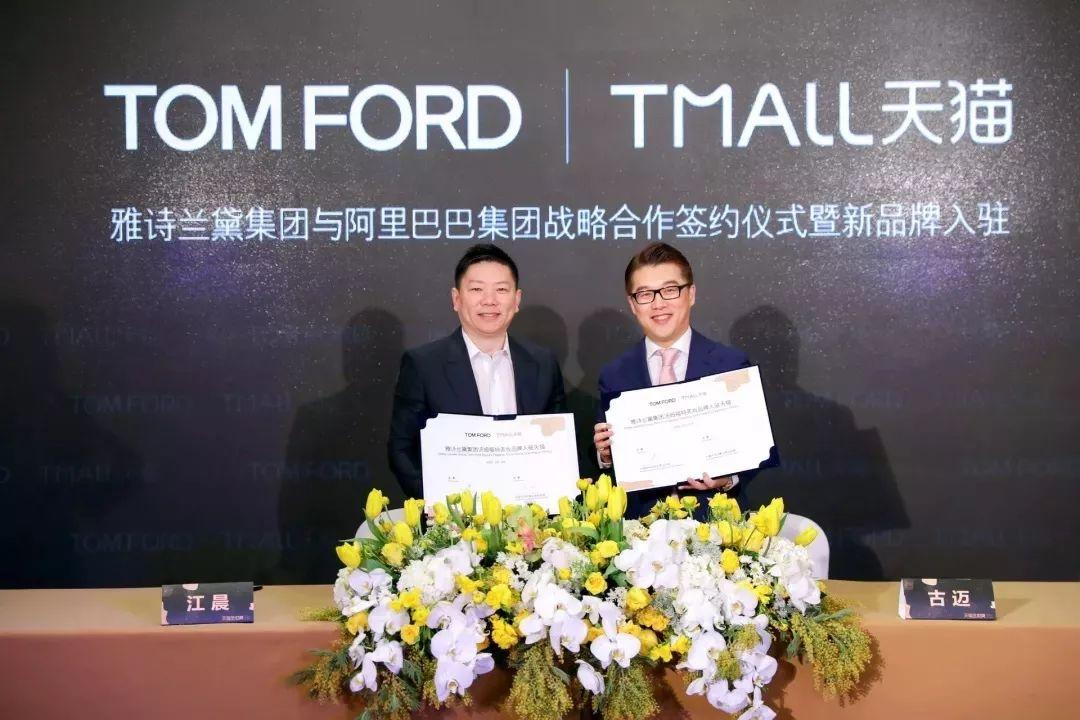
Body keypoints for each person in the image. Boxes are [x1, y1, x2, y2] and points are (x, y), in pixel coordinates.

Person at [388, 244, 567, 499]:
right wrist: (443, 508)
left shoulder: (543, 363)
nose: (489, 300)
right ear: (456, 299)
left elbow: (558, 446)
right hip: (453, 517)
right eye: (476, 289)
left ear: (516, 300)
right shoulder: (423, 365)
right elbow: (402, 449)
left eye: (501, 290)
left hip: (531, 514)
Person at [593, 242, 755, 519]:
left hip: (715, 526)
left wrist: (727, 479)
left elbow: (754, 448)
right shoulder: (615, 374)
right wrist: (606, 456)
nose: (658, 304)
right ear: (632, 304)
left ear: (691, 294)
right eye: (645, 294)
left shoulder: (730, 365)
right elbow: (609, 468)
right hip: (638, 528)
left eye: (670, 290)